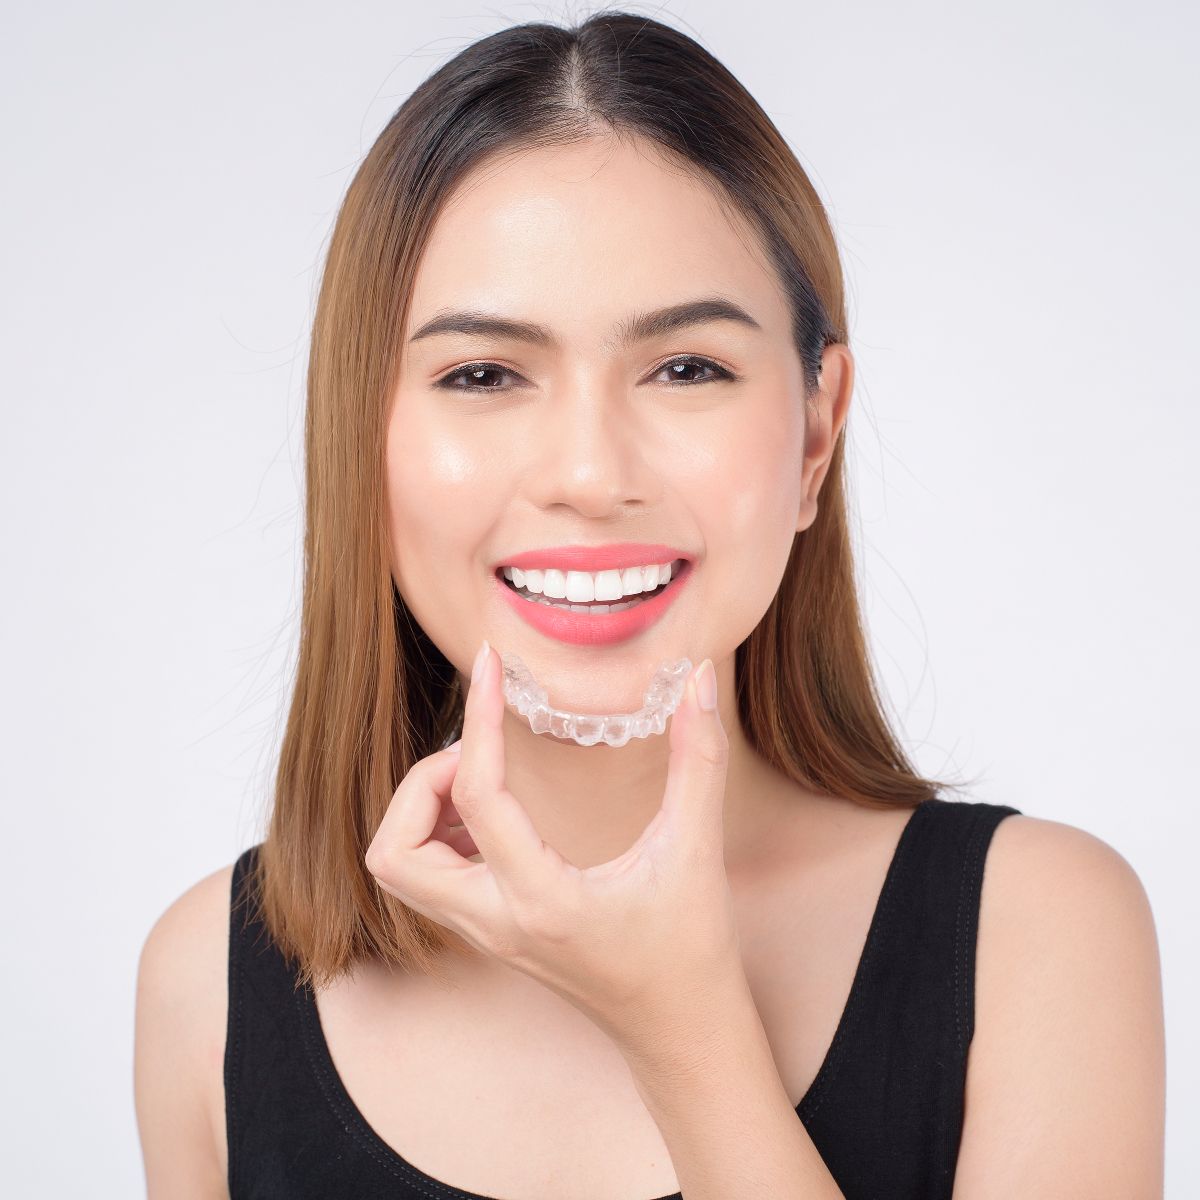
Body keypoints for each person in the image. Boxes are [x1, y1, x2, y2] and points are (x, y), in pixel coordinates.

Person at [133, 11, 1166, 1199]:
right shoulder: (204, 981)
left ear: (815, 436)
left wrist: (685, 1029)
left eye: (688, 369)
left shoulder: (1037, 934)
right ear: (360, 437)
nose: (588, 471)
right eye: (482, 374)